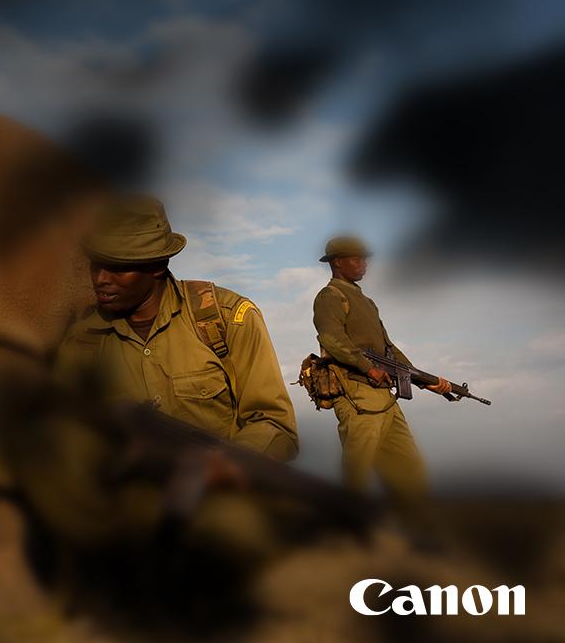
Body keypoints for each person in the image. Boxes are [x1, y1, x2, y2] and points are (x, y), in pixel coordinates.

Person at [54, 194, 298, 460]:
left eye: (118, 268)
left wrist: (227, 465)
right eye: (96, 265)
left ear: (158, 265)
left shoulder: (225, 319)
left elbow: (275, 425)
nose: (101, 279)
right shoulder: (83, 340)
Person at [311, 236, 450, 519]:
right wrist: (367, 367)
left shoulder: (365, 301)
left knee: (409, 469)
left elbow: (389, 350)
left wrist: (427, 380)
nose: (364, 265)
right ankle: (348, 533)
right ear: (337, 262)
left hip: (384, 397)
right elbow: (331, 338)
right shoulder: (330, 296)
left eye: (365, 259)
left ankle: (416, 531)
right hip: (357, 394)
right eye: (356, 259)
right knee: (357, 473)